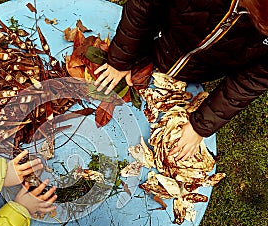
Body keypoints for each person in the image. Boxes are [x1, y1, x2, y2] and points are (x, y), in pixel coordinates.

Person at [94, 0, 268, 160]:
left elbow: (253, 80)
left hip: (202, 70)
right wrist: (121, 58)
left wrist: (201, 125)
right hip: (159, 37)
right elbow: (143, 5)